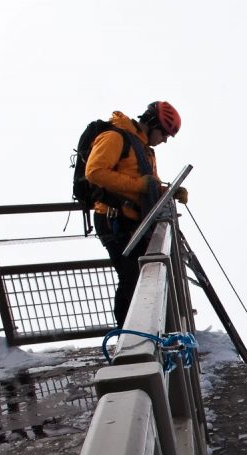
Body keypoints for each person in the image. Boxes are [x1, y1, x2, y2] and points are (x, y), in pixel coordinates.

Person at [83, 101, 184, 326]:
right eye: (164, 133)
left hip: (131, 221)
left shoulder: (144, 149)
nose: (165, 140)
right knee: (131, 278)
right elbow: (95, 172)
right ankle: (126, 336)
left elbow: (148, 185)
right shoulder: (115, 137)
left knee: (141, 276)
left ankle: (140, 332)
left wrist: (170, 192)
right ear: (152, 124)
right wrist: (139, 186)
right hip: (112, 220)